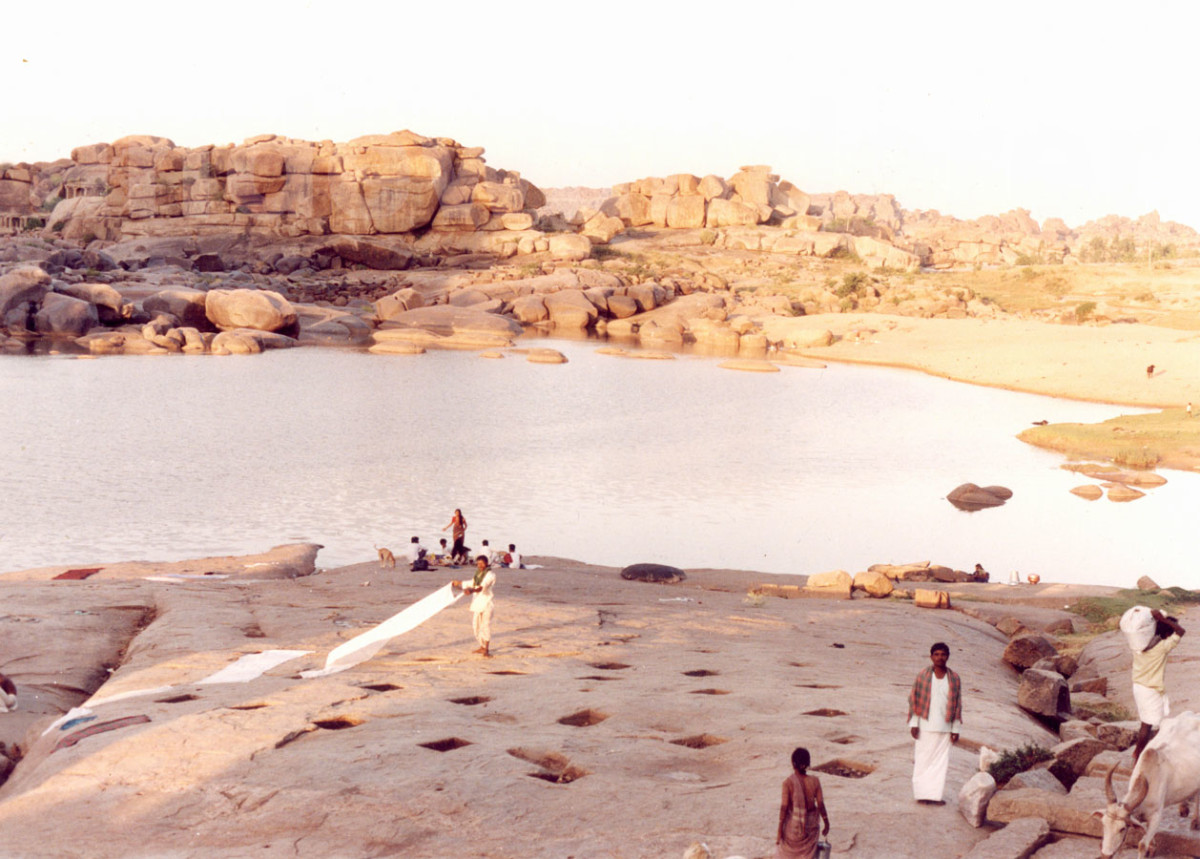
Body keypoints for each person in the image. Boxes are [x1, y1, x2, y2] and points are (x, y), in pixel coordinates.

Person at [907, 641, 962, 804]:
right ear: (931, 656)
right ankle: (921, 795)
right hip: (925, 725)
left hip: (945, 726)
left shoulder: (954, 678)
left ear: (948, 657)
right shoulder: (923, 676)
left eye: (943, 654)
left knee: (940, 762)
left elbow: (958, 704)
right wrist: (914, 723)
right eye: (936, 654)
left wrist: (955, 728)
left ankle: (934, 796)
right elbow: (914, 700)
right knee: (923, 760)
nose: (940, 657)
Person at [1132, 609, 1186, 761]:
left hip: (1138, 686)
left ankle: (1142, 753)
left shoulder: (1139, 646)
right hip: (1151, 689)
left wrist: (1159, 620)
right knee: (1150, 725)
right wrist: (1162, 618)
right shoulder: (1161, 648)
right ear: (1168, 633)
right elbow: (1181, 631)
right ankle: (1139, 756)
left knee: (1147, 722)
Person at [775, 746, 829, 858]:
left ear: (793, 763)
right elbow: (820, 804)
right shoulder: (815, 781)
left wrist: (780, 830)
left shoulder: (788, 783)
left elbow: (784, 807)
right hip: (810, 827)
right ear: (807, 763)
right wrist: (826, 822)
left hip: (793, 829)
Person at [452, 555, 495, 657]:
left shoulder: (490, 574)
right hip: (477, 603)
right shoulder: (478, 574)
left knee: (485, 626)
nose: (480, 565)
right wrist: (458, 583)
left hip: (486, 603)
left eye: (482, 563)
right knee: (476, 626)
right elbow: (471, 583)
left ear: (486, 563)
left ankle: (487, 650)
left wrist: (471, 590)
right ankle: (482, 646)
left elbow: (481, 587)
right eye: (478, 563)